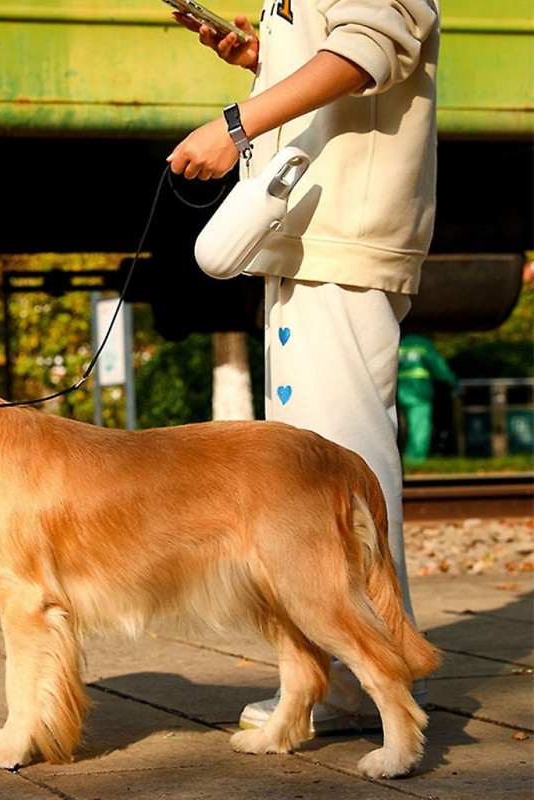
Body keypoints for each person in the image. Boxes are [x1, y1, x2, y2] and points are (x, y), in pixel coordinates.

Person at [168, 0, 440, 733]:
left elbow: (370, 50)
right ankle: (348, 670)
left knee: (340, 468)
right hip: (310, 237)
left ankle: (368, 675)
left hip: (339, 239)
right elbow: (349, 55)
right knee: (315, 476)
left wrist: (237, 123)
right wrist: (267, 62)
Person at [398, 332, 456, 462]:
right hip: (420, 391)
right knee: (419, 426)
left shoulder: (400, 343)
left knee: (400, 428)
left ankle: (400, 458)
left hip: (400, 392)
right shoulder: (424, 344)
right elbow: (438, 368)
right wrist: (452, 380)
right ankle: (415, 459)